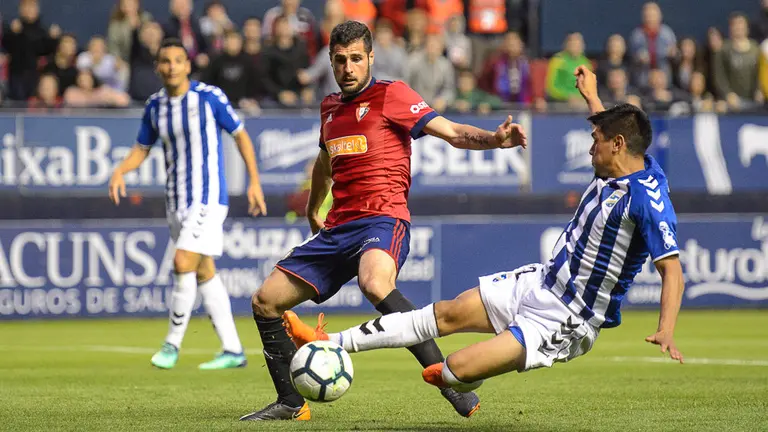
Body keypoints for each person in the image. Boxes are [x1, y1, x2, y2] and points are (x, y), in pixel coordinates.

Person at [283, 65, 685, 397]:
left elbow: (673, 270)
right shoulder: (622, 158)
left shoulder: (647, 200)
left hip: (568, 317)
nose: (589, 148)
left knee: (456, 370)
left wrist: (665, 328)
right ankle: (328, 342)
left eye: (596, 141)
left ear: (617, 145)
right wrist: (591, 96)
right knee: (445, 312)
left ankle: (458, 378)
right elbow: (612, 128)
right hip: (541, 282)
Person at [240, 20, 527, 421]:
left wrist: (494, 140)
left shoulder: (393, 95)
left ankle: (448, 381)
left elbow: (452, 132)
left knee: (375, 283)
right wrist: (312, 206)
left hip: (382, 217)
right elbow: (325, 163)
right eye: (340, 60)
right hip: (338, 226)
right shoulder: (330, 108)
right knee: (265, 302)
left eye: (356, 59)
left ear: (371, 58)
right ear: (331, 61)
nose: (348, 68)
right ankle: (291, 402)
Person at [108, 38, 267, 370]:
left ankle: (171, 345)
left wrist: (254, 180)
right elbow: (142, 147)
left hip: (207, 197)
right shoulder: (155, 106)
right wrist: (120, 171)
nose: (171, 67)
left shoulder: (209, 98)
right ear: (157, 67)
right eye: (164, 61)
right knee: (204, 270)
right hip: (176, 201)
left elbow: (240, 134)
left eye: (177, 60)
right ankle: (233, 349)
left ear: (187, 65)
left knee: (182, 262)